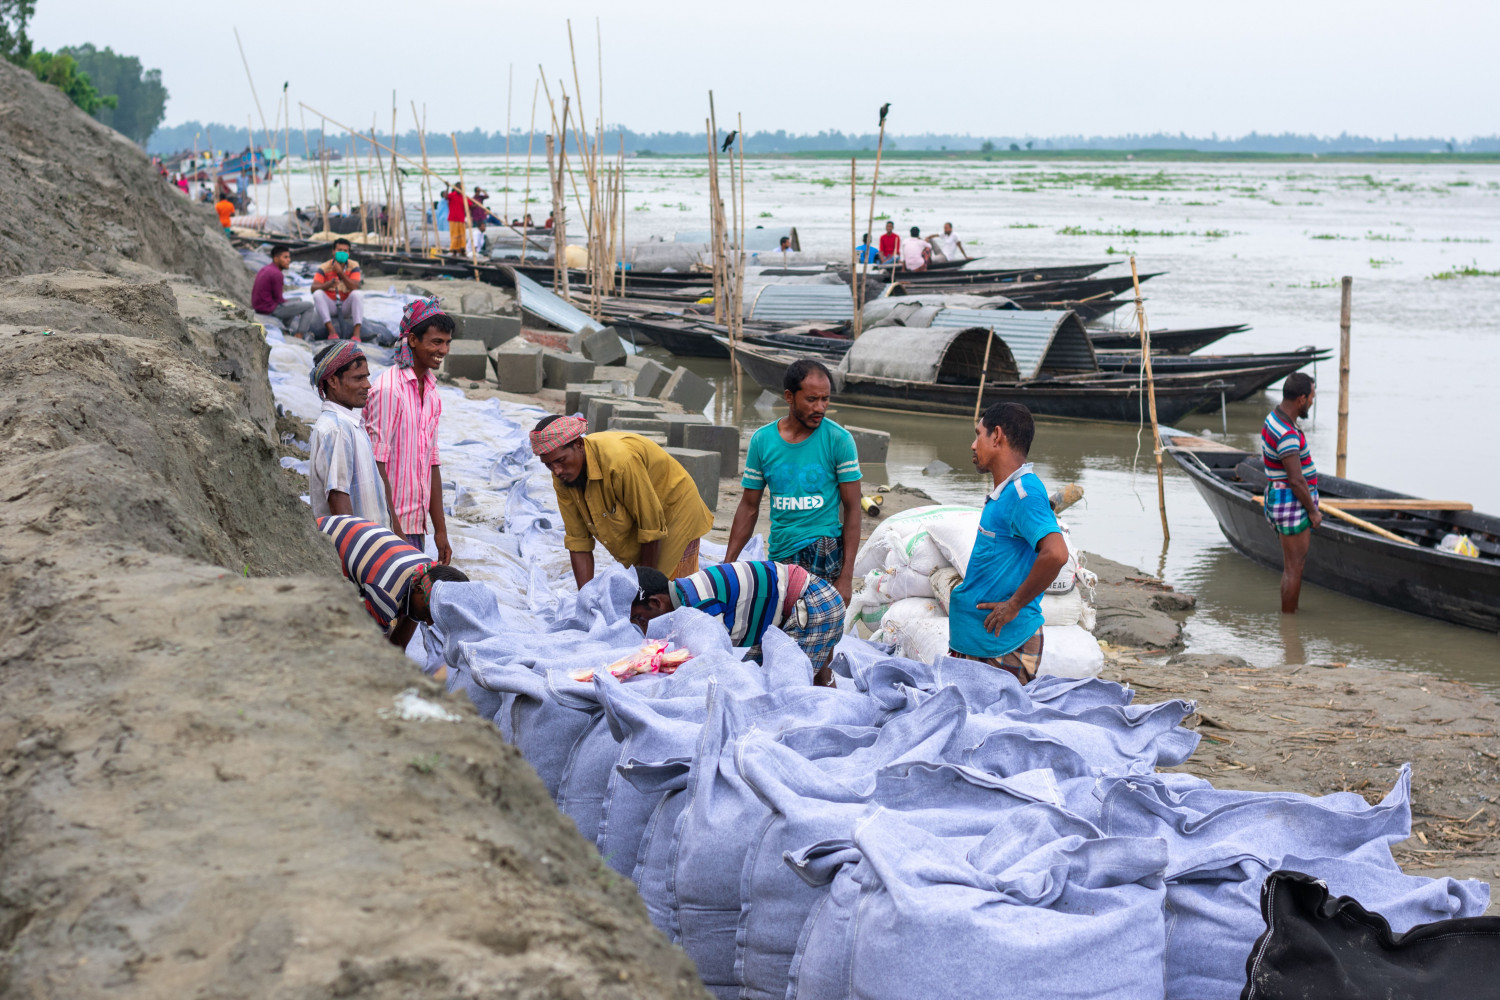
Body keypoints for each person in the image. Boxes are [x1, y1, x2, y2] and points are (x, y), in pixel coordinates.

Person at [946, 402, 1069, 685]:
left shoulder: (1024, 494)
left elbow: (1056, 554)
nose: (973, 445)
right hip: (979, 645)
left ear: (997, 436)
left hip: (1001, 647)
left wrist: (1013, 605)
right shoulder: (1006, 493)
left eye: (978, 435)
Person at [726, 359, 862, 601]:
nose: (820, 407)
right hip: (780, 550)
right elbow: (748, 507)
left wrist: (846, 577)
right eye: (811, 399)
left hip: (824, 550)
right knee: (779, 627)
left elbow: (853, 509)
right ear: (789, 397)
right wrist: (727, 564)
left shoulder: (839, 440)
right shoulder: (762, 441)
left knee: (816, 629)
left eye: (825, 399)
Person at [531, 415, 714, 589]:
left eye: (561, 461)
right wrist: (585, 599)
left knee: (668, 596)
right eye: (548, 465)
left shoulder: (619, 461)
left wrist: (644, 587)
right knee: (639, 600)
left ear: (579, 444)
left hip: (675, 510)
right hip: (643, 521)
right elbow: (578, 541)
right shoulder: (562, 478)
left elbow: (650, 529)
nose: (556, 471)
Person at [631, 563, 845, 685]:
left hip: (813, 606)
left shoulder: (699, 606)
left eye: (640, 620)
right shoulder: (687, 591)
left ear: (656, 603)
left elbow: (714, 661)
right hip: (805, 603)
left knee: (782, 689)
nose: (641, 629)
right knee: (816, 676)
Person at [364, 298, 453, 564]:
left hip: (415, 526)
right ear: (413, 340)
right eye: (436, 342)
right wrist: (395, 529)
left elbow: (432, 464)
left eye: (448, 343)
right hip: (387, 526)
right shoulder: (390, 390)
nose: (444, 350)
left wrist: (440, 530)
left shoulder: (432, 393)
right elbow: (375, 464)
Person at [316, 514, 468, 648]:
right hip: (320, 539)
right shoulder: (385, 595)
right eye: (429, 615)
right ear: (419, 590)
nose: (429, 623)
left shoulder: (425, 570)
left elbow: (398, 645)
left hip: (351, 530)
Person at [307, 341, 395, 529]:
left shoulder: (349, 425)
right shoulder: (336, 429)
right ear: (333, 381)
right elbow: (338, 497)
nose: (367, 385)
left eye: (367, 377)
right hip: (361, 552)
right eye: (358, 378)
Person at [1262, 372, 1321, 613]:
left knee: (1291, 566)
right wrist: (1313, 512)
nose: (1312, 402)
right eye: (1311, 398)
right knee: (1294, 568)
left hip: (1279, 496)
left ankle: (1289, 618)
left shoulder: (1273, 418)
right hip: (1291, 502)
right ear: (1301, 399)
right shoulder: (1287, 433)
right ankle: (1289, 624)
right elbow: (1296, 481)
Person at [251, 243, 316, 338]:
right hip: (268, 309)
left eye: (289, 257)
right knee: (309, 306)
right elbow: (279, 299)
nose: (289, 260)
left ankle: (285, 328)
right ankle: (299, 335)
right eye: (285, 257)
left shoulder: (266, 269)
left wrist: (294, 303)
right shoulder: (277, 274)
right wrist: (293, 306)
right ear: (276, 259)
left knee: (297, 300)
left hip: (260, 306)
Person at [311, 238, 364, 342]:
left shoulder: (354, 266)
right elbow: (313, 288)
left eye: (346, 251)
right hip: (330, 305)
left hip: (345, 305)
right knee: (318, 294)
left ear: (349, 253)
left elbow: (355, 286)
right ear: (333, 251)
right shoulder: (324, 267)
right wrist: (329, 284)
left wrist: (340, 273)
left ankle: (357, 333)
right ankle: (331, 331)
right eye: (340, 250)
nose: (343, 253)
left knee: (358, 294)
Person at [443, 183, 468, 253]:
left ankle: (462, 249)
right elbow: (446, 197)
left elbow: (470, 205)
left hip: (461, 218)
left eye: (461, 187)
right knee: (454, 234)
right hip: (453, 218)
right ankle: (454, 249)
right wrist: (447, 187)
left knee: (462, 235)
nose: (460, 189)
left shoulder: (464, 196)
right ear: (456, 188)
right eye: (459, 187)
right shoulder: (452, 195)